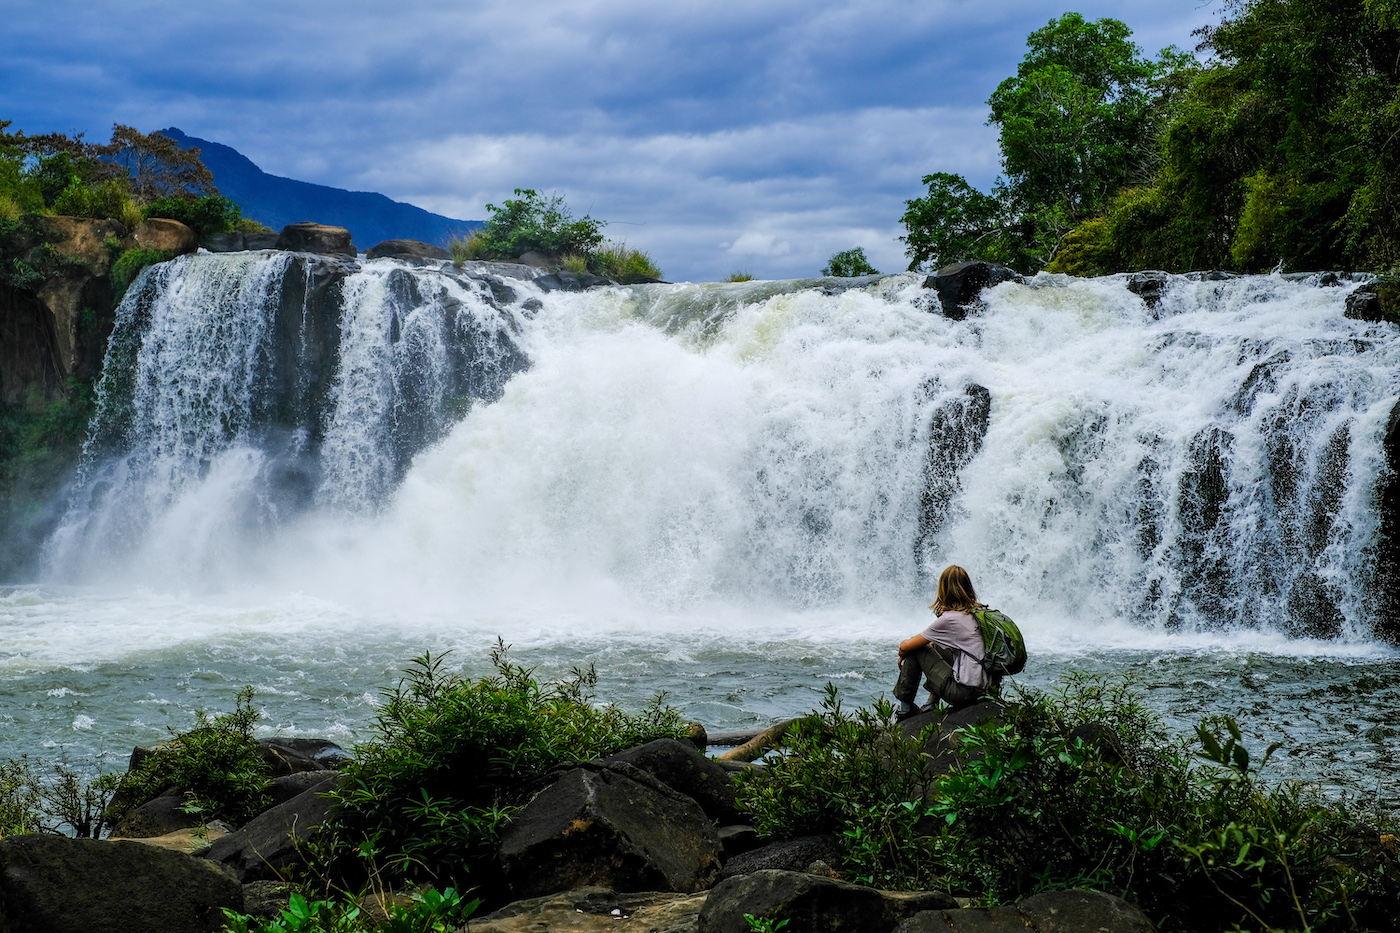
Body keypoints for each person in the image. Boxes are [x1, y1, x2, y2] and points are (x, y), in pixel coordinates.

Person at [893, 564, 996, 721]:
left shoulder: (950, 619)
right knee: (936, 646)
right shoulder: (981, 613)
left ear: (944, 590)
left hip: (964, 694)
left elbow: (905, 647)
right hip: (988, 690)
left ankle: (905, 710)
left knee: (918, 649)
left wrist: (904, 653)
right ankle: (931, 703)